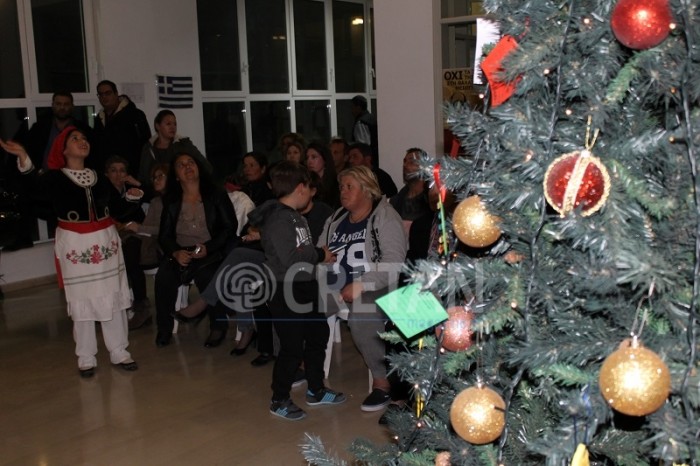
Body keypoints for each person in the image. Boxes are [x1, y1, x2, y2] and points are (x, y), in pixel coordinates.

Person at [0, 127, 137, 377]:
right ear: (63, 149)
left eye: (84, 138)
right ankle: (86, 356)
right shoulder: (55, 178)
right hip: (76, 244)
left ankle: (119, 351)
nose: (82, 141)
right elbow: (32, 187)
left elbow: (118, 208)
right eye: (75, 139)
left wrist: (132, 197)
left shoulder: (99, 177)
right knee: (82, 298)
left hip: (106, 242)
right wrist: (23, 156)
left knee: (112, 296)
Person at [253, 161, 344, 420]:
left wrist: (316, 258)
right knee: (292, 346)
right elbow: (290, 258)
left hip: (306, 285)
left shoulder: (296, 217)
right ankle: (279, 398)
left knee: (318, 335)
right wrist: (320, 254)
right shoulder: (278, 219)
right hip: (285, 289)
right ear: (301, 187)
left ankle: (316, 388)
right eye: (308, 187)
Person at [318, 165, 407, 412]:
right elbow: (320, 252)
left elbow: (394, 263)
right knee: (297, 300)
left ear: (367, 190)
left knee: (362, 310)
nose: (343, 192)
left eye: (349, 187)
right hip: (336, 284)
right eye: (341, 187)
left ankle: (382, 381)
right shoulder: (335, 218)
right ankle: (306, 367)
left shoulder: (385, 217)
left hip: (378, 284)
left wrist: (361, 284)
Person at [153, 150, 238, 348]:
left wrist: (209, 247)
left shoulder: (215, 194)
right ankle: (164, 328)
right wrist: (175, 252)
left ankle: (218, 326)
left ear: (198, 167)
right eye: (181, 165)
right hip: (181, 251)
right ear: (176, 175)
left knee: (207, 275)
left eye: (190, 162)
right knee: (163, 278)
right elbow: (164, 235)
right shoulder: (171, 200)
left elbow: (229, 227)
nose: (187, 167)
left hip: (211, 249)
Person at [7, 91, 92, 249]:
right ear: (53, 105)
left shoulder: (82, 130)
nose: (62, 107)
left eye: (66, 104)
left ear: (72, 107)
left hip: (72, 179)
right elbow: (30, 151)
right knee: (25, 195)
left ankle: (70, 244)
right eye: (58, 104)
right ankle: (25, 238)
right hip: (46, 177)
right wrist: (37, 171)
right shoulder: (41, 127)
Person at [104, 156, 151, 328]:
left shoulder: (132, 189)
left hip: (138, 234)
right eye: (113, 171)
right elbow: (117, 212)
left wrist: (137, 184)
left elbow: (154, 195)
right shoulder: (104, 192)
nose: (118, 175)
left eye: (122, 171)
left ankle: (141, 305)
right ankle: (114, 304)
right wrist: (131, 201)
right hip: (112, 234)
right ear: (107, 174)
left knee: (131, 252)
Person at [122, 162, 170, 329]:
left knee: (131, 251)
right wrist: (137, 229)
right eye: (154, 178)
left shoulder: (176, 200)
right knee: (128, 247)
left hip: (166, 245)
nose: (156, 180)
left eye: (160, 176)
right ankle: (135, 302)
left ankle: (139, 304)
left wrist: (140, 228)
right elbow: (148, 228)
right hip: (150, 242)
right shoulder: (156, 201)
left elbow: (169, 230)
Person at [137, 109, 207, 192]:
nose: (173, 127)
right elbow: (143, 177)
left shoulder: (184, 144)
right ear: (158, 126)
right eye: (168, 124)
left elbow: (205, 166)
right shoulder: (148, 148)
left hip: (180, 194)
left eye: (175, 124)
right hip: (154, 194)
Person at [92, 80, 151, 177]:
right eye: (100, 94)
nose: (104, 97)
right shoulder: (99, 119)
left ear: (116, 94)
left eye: (108, 93)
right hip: (107, 174)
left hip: (131, 173)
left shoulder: (135, 115)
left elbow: (145, 145)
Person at [390, 148, 431, 234]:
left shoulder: (431, 199)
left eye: (412, 162)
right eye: (404, 162)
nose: (405, 165)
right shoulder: (396, 201)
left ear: (424, 167)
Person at [305, 142, 339, 208]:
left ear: (325, 159)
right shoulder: (306, 182)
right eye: (307, 158)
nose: (309, 161)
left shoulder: (336, 183)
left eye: (314, 157)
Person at [350, 95, 378, 161]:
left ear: (358, 107)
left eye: (352, 107)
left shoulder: (361, 122)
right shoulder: (371, 118)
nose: (351, 110)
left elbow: (362, 146)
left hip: (367, 160)